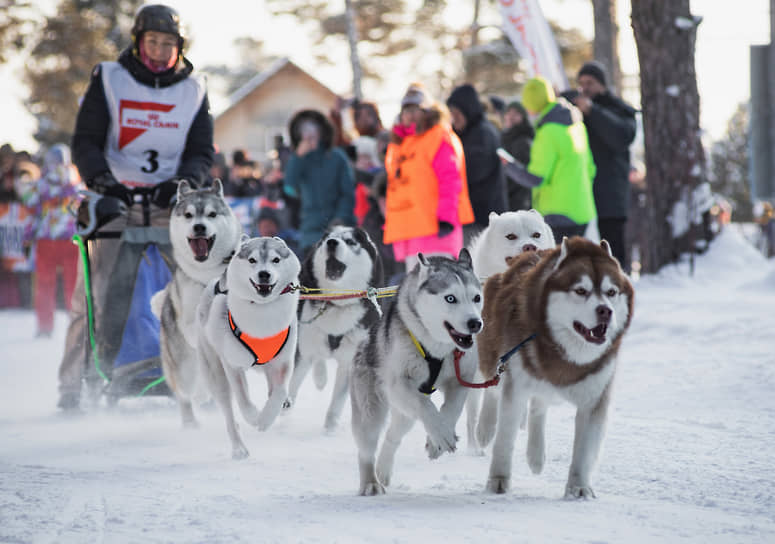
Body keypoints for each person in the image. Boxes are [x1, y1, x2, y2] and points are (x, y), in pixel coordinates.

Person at [57, 3, 214, 412]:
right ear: (138, 42)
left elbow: (200, 152)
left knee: (201, 288)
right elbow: (86, 141)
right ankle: (76, 385)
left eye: (168, 44)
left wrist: (183, 185)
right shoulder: (110, 78)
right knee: (95, 292)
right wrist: (102, 182)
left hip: (169, 202)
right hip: (115, 200)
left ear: (178, 47)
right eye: (153, 42)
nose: (160, 51)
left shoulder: (193, 88)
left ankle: (209, 376)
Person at [384, 83, 475, 271]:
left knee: (438, 292)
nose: (410, 115)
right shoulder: (400, 144)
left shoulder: (437, 137)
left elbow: (450, 179)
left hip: (436, 233)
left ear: (426, 111)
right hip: (411, 234)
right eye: (406, 110)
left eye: (415, 109)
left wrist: (446, 218)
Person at [572, 60, 637, 269]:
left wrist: (593, 111)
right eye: (581, 83)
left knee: (612, 258)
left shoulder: (620, 109)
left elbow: (620, 136)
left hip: (610, 199)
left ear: (602, 84)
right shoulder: (576, 109)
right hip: (582, 197)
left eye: (590, 82)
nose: (585, 88)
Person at [515, 76, 596, 242]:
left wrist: (509, 167)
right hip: (582, 209)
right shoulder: (576, 124)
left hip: (557, 213)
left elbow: (537, 178)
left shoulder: (547, 131)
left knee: (558, 265)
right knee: (572, 264)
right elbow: (591, 169)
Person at [20, 144, 83, 337]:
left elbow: (30, 206)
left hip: (47, 238)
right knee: (73, 284)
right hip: (71, 239)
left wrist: (27, 238)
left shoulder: (42, 182)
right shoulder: (76, 181)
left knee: (45, 284)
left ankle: (45, 326)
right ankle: (77, 325)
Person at [283, 109, 356, 255]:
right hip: (311, 232)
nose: (309, 133)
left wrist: (340, 218)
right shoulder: (299, 160)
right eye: (303, 128)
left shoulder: (337, 157)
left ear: (322, 130)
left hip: (340, 230)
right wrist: (298, 157)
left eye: (312, 127)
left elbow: (348, 193)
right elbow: (289, 188)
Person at [446, 83, 507, 243]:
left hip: (482, 217)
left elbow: (473, 171)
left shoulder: (482, 133)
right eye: (451, 113)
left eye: (457, 113)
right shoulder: (466, 133)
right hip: (473, 216)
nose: (454, 118)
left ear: (468, 110)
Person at [499, 101, 535, 211]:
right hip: (507, 197)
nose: (511, 116)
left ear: (523, 117)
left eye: (515, 113)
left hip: (519, 200)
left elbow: (522, 174)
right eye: (508, 113)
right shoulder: (504, 137)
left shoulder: (524, 141)